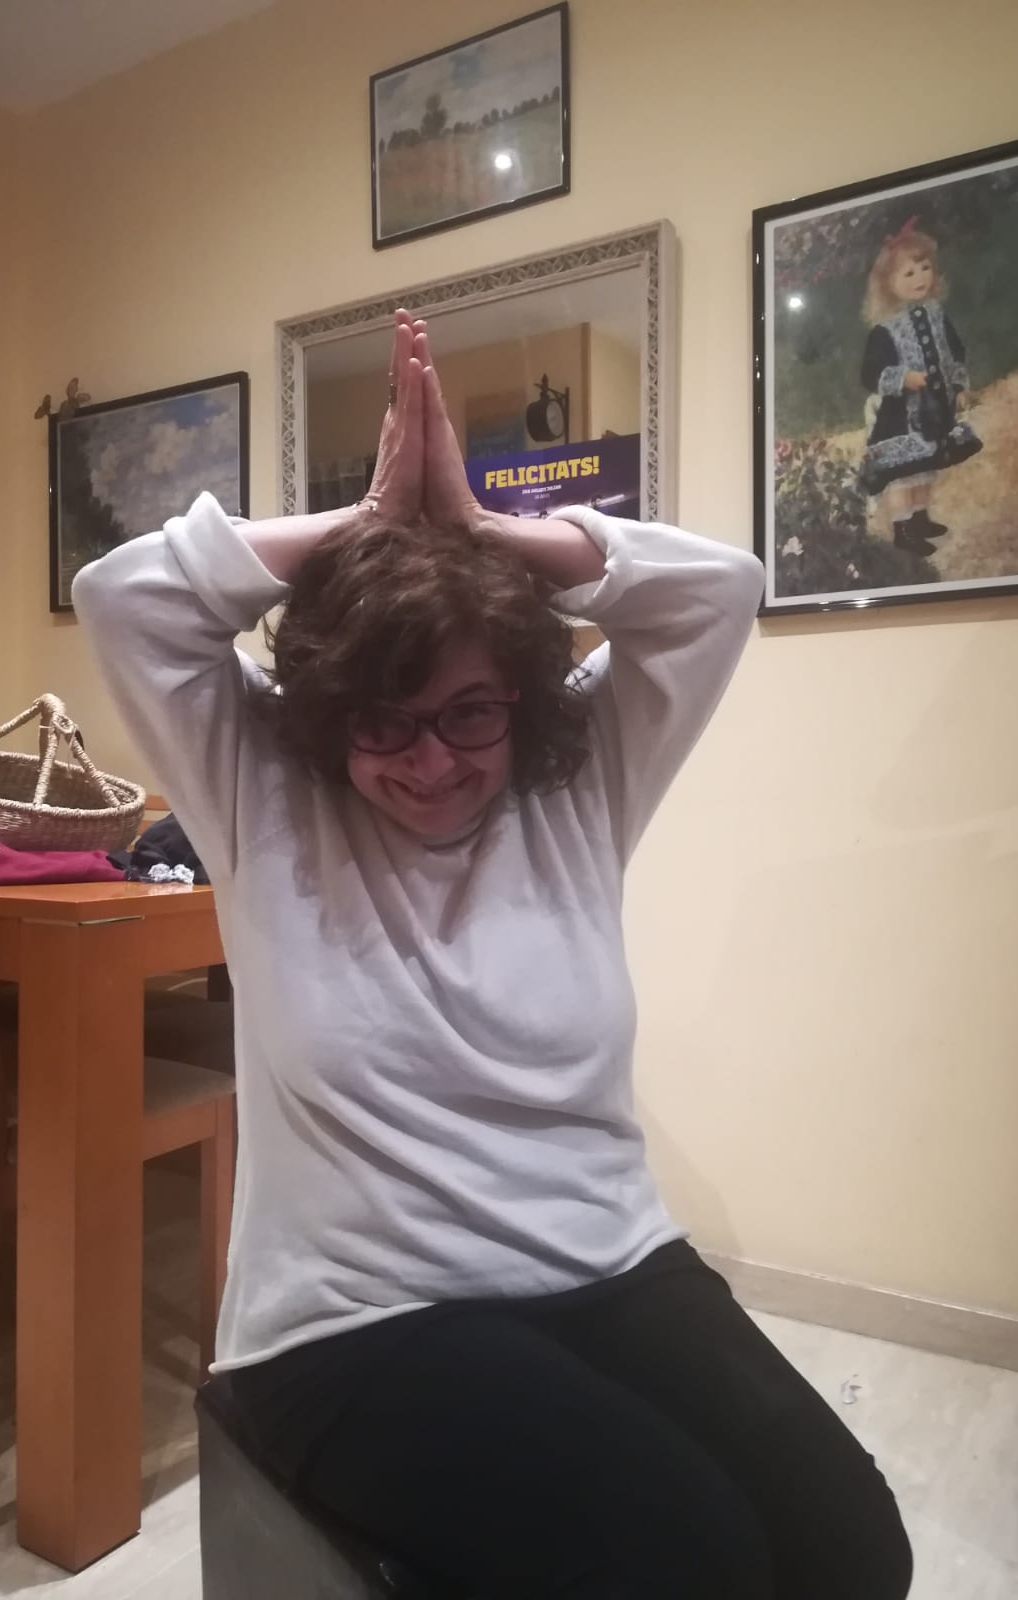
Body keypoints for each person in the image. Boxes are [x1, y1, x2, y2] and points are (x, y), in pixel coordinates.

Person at [74, 311, 912, 1599]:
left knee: (854, 1548)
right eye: (383, 723)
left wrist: (480, 528)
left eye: (469, 711)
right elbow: (120, 597)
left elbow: (722, 588)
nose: (429, 761)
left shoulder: (578, 780)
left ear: (521, 696)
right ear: (328, 720)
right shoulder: (265, 792)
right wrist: (364, 525)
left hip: (609, 1256)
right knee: (694, 1555)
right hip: (356, 1318)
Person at [859, 216, 982, 555]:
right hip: (900, 418)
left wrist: (958, 385)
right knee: (904, 475)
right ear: (888, 284)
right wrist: (902, 378)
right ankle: (903, 529)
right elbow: (870, 374)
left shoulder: (937, 315)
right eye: (909, 273)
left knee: (927, 468)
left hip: (935, 410)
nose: (920, 278)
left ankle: (920, 518)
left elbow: (954, 351)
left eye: (924, 268)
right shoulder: (885, 329)